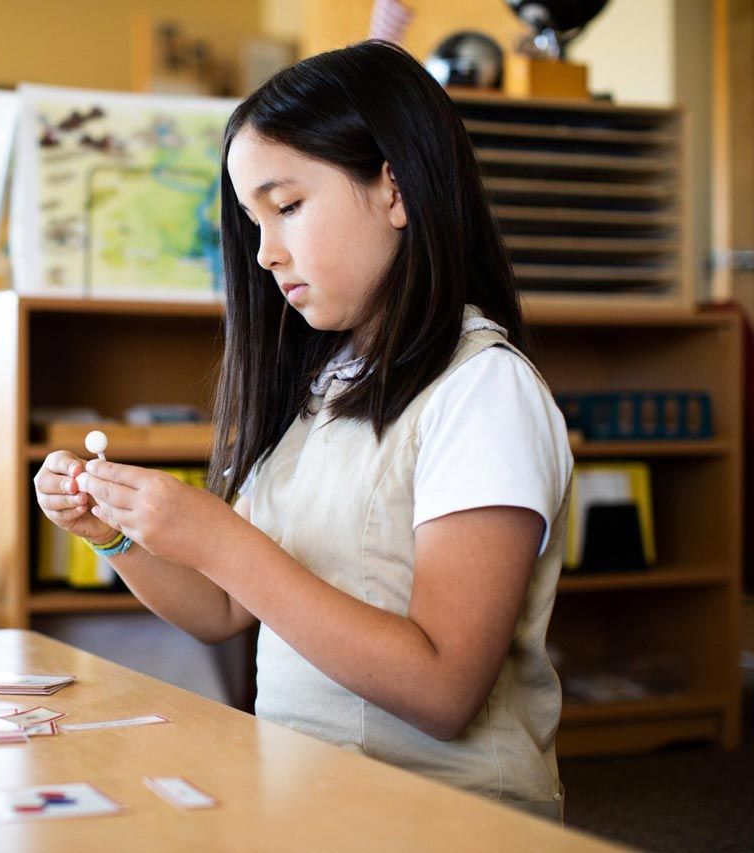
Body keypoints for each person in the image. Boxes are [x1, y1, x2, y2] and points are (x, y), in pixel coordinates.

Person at [34, 40, 573, 821]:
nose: (264, 253)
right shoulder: (322, 388)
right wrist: (114, 535)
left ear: (396, 189)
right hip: (309, 798)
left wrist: (217, 536)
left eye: (286, 206)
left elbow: (444, 688)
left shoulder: (484, 390)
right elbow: (223, 611)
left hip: (450, 820)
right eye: (253, 222)